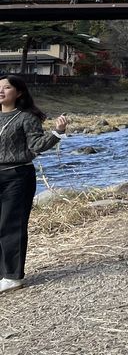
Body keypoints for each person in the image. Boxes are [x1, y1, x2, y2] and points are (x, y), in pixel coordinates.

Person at [0, 75, 68, 293]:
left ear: (18, 92)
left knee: (11, 226)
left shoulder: (26, 118)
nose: (1, 91)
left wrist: (57, 132)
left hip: (17, 177)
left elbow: (37, 145)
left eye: (6, 87)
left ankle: (13, 276)